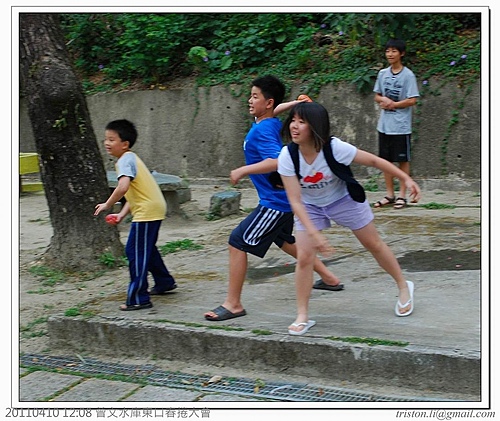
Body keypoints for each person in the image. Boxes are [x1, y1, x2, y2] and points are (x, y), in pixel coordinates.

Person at [204, 76, 343, 322]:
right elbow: (274, 109)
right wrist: (294, 103)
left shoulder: (264, 130)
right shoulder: (267, 121)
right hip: (285, 199)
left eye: (255, 96)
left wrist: (243, 170)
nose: (250, 100)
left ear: (267, 102)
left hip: (276, 202)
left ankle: (233, 304)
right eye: (251, 95)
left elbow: (279, 161)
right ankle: (330, 278)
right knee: (285, 241)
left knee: (237, 242)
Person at [277, 102, 421, 335]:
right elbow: (295, 200)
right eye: (293, 120)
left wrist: (406, 179)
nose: (294, 126)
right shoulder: (288, 156)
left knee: (373, 244)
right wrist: (313, 233)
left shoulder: (335, 148)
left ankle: (404, 286)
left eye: (301, 122)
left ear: (316, 126)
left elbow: (374, 161)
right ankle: (302, 315)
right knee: (304, 257)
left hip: (343, 200)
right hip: (310, 206)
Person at [94, 119, 177, 311]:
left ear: (125, 144)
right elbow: (135, 194)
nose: (107, 143)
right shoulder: (130, 158)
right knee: (146, 248)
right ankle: (164, 282)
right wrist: (121, 214)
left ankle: (139, 298)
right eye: (106, 139)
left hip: (147, 211)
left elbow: (123, 187)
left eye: (112, 139)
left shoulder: (125, 160)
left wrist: (108, 204)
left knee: (135, 252)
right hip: (152, 207)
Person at [373, 38, 420, 210]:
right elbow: (377, 95)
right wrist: (383, 100)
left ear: (402, 54)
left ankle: (402, 196)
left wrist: (394, 104)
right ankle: (390, 195)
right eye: (388, 51)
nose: (390, 54)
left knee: (402, 160)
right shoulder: (382, 74)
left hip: (401, 126)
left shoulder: (408, 75)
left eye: (394, 51)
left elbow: (412, 99)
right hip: (384, 125)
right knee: (385, 161)